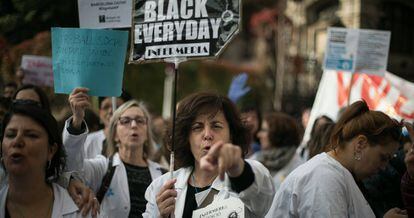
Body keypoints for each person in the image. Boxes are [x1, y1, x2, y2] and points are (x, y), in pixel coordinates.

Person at [143, 92, 275, 217]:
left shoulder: (249, 173)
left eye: (216, 126)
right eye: (197, 127)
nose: (207, 135)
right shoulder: (161, 187)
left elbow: (261, 197)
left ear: (231, 135)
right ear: (187, 138)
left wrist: (237, 169)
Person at [266, 100, 407, 218]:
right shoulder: (324, 178)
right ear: (360, 144)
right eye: (382, 158)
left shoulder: (337, 174)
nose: (384, 167)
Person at [64, 87, 165, 217]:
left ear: (147, 133)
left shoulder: (163, 175)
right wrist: (77, 120)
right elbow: (71, 168)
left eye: (140, 121)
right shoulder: (102, 168)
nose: (134, 125)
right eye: (125, 121)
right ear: (115, 134)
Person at [0, 102, 95, 217]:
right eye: (10, 135)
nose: (17, 142)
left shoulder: (83, 209)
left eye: (31, 135)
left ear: (51, 150)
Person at [253, 112, 304, 190]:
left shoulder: (299, 167)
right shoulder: (255, 159)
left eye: (264, 130)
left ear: (278, 134)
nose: (259, 135)